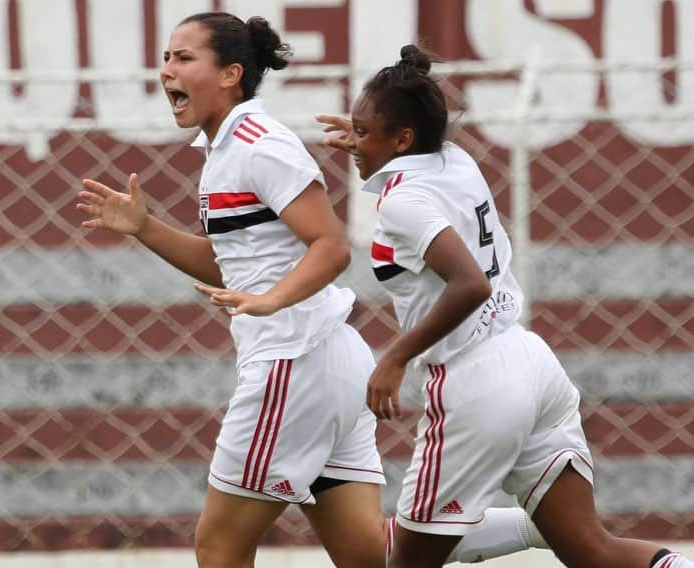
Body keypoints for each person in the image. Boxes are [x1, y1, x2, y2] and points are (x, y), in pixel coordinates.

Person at [77, 12, 547, 567]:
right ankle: (549, 528)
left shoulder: (257, 144)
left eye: (183, 58)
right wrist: (146, 228)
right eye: (166, 58)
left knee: (219, 544)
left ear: (230, 74)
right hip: (326, 363)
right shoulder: (225, 153)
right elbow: (231, 266)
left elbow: (330, 245)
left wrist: (273, 302)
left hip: (291, 362)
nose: (166, 71)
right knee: (370, 554)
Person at [317, 44, 694, 568]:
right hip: (530, 362)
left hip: (474, 382)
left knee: (402, 561)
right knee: (590, 548)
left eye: (361, 132)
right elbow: (417, 168)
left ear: (402, 138)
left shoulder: (402, 202)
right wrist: (369, 140)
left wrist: (394, 357)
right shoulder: (455, 159)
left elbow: (469, 285)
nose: (351, 142)